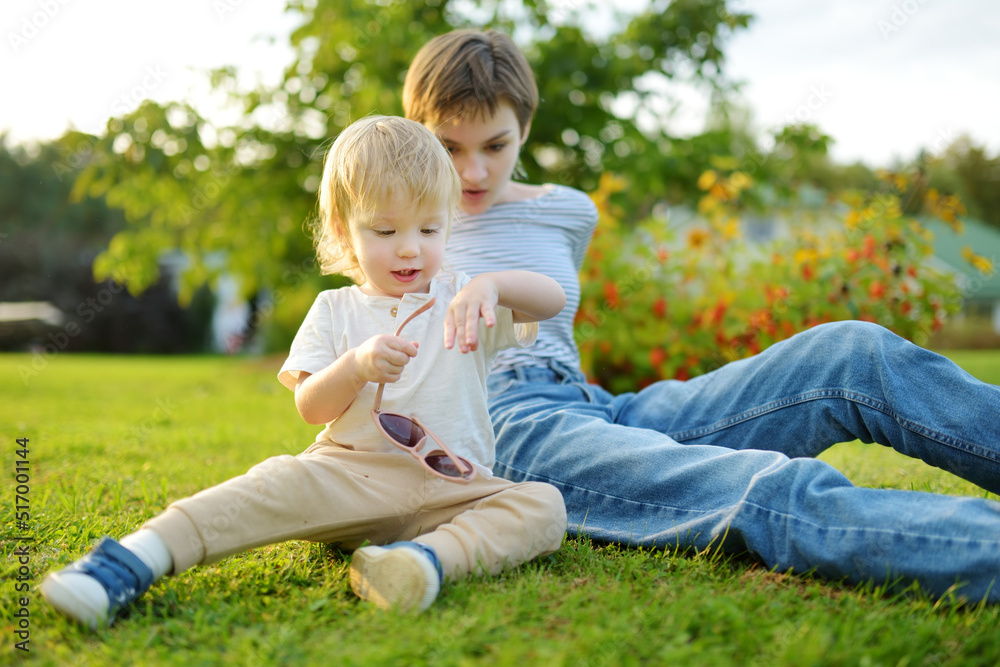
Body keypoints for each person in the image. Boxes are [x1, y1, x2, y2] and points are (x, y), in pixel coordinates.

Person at [402, 28, 1000, 602]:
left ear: (525, 128)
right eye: (449, 147)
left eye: (495, 145)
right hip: (505, 427)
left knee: (853, 353)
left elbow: (549, 327)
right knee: (758, 488)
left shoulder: (567, 211)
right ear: (419, 136)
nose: (473, 171)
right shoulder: (399, 226)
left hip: (596, 406)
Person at [40, 115, 567, 629]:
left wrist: (492, 285)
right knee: (269, 485)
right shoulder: (335, 310)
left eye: (430, 228)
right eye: (386, 229)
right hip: (348, 480)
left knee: (542, 504)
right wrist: (356, 366)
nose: (410, 246)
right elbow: (310, 406)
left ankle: (421, 561)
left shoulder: (465, 301)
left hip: (453, 489)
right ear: (344, 228)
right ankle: (129, 561)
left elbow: (552, 299)